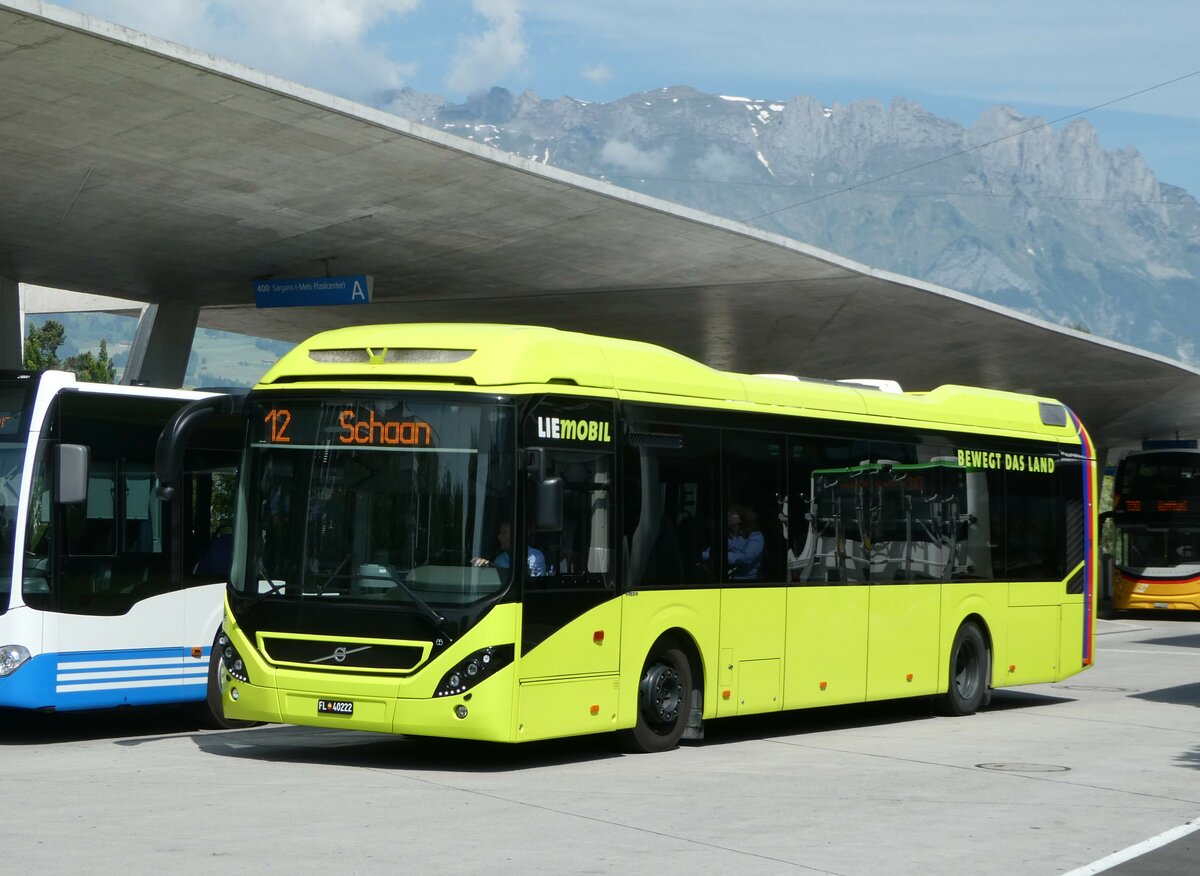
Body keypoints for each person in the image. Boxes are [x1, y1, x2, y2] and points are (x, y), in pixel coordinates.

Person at [472, 521, 545, 576]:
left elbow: (525, 582)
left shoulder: (535, 556)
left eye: (504, 532)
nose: (499, 537)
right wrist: (488, 567)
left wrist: (497, 568)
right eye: (500, 532)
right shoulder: (499, 559)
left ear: (516, 535)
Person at [725, 504, 764, 581]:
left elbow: (746, 559)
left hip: (745, 581)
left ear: (741, 518)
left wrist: (722, 556)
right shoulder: (726, 535)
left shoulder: (755, 537)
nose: (728, 514)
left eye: (732, 513)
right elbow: (712, 551)